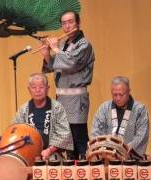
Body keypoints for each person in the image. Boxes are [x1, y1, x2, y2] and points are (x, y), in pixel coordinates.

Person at [40, 10, 95, 159]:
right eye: (64, 23)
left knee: (78, 135)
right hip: (62, 97)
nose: (67, 26)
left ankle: (83, 165)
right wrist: (46, 53)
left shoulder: (84, 44)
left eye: (71, 22)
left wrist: (56, 49)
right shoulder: (64, 44)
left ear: (78, 23)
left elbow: (71, 63)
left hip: (76, 98)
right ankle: (71, 165)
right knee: (65, 135)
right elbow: (54, 67)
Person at [14, 73, 74, 160]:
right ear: (29, 89)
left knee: (53, 163)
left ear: (47, 88)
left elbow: (64, 134)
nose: (37, 90)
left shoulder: (57, 108)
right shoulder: (23, 110)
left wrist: (49, 150)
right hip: (28, 151)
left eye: (41, 87)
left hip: (51, 152)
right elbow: (16, 132)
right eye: (34, 87)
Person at [91, 76, 150, 157]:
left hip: (130, 159)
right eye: (115, 95)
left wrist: (123, 150)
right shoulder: (104, 108)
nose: (118, 98)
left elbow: (141, 135)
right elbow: (96, 132)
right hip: (106, 156)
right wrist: (105, 149)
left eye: (121, 94)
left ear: (129, 91)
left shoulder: (140, 109)